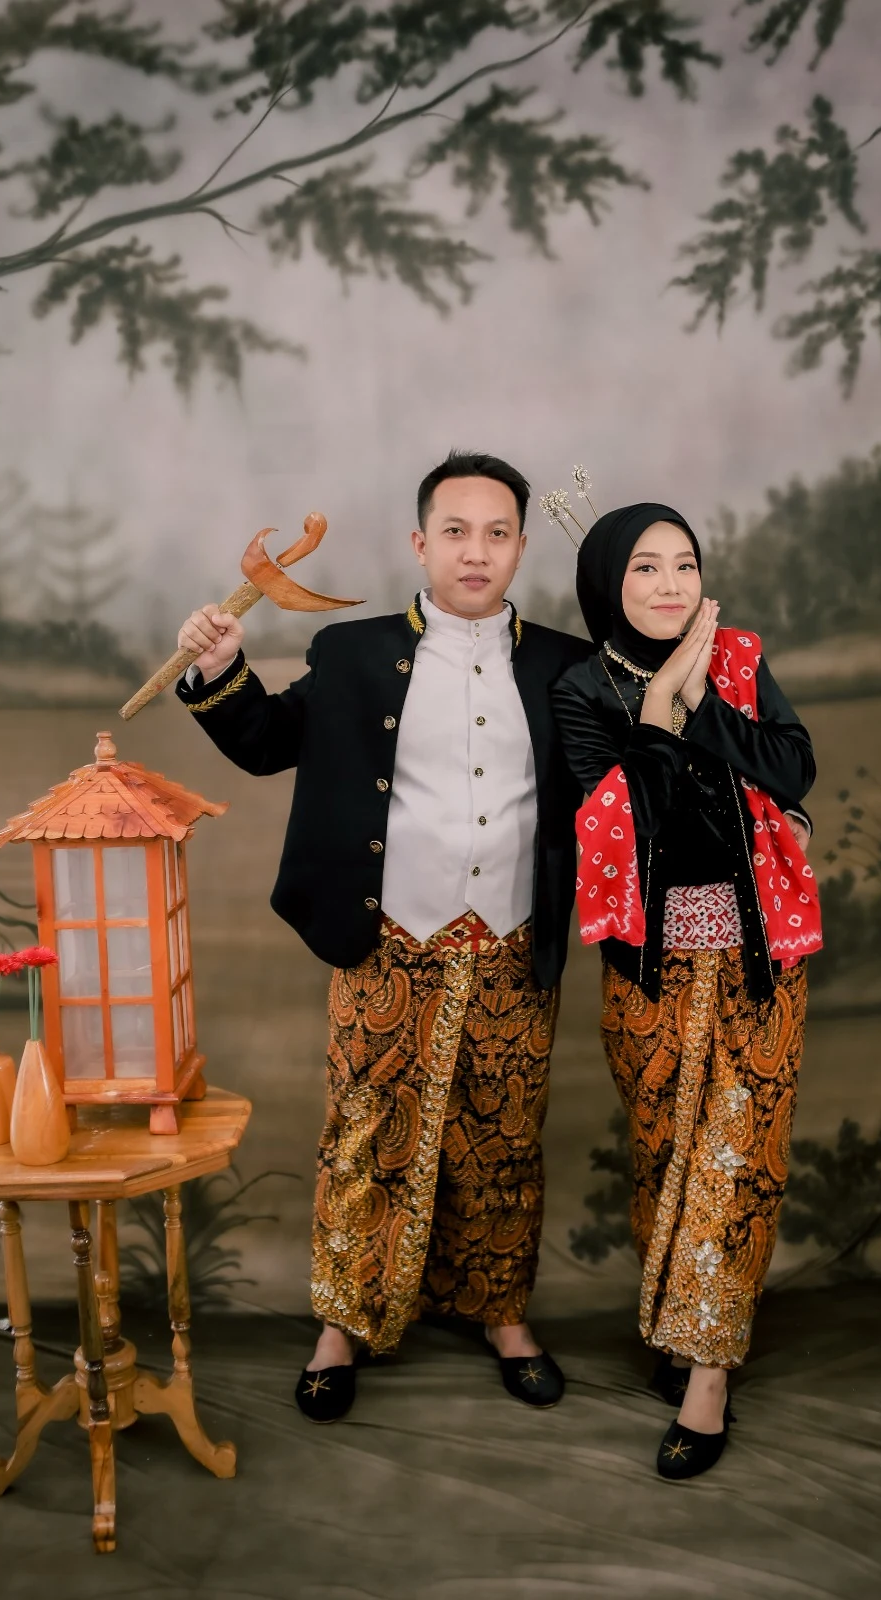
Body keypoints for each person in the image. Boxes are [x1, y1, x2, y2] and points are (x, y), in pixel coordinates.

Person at [175, 451, 591, 1422]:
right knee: (362, 1135)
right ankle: (341, 1324)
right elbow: (266, 742)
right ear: (420, 542)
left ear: (519, 547)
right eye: (456, 531)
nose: (476, 551)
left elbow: (612, 784)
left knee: (503, 1135)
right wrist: (220, 668)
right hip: (386, 943)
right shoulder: (353, 653)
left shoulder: (564, 665)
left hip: (513, 945)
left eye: (496, 533)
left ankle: (502, 1313)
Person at [550, 502, 821, 1481]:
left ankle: (709, 1373)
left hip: (755, 958)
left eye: (684, 564)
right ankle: (678, 1321)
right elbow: (614, 826)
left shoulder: (738, 659)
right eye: (644, 568)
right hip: (650, 967)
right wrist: (662, 700)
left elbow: (794, 766)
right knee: (665, 1154)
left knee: (735, 1160)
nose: (669, 584)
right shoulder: (582, 690)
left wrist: (704, 700)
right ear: (606, 585)